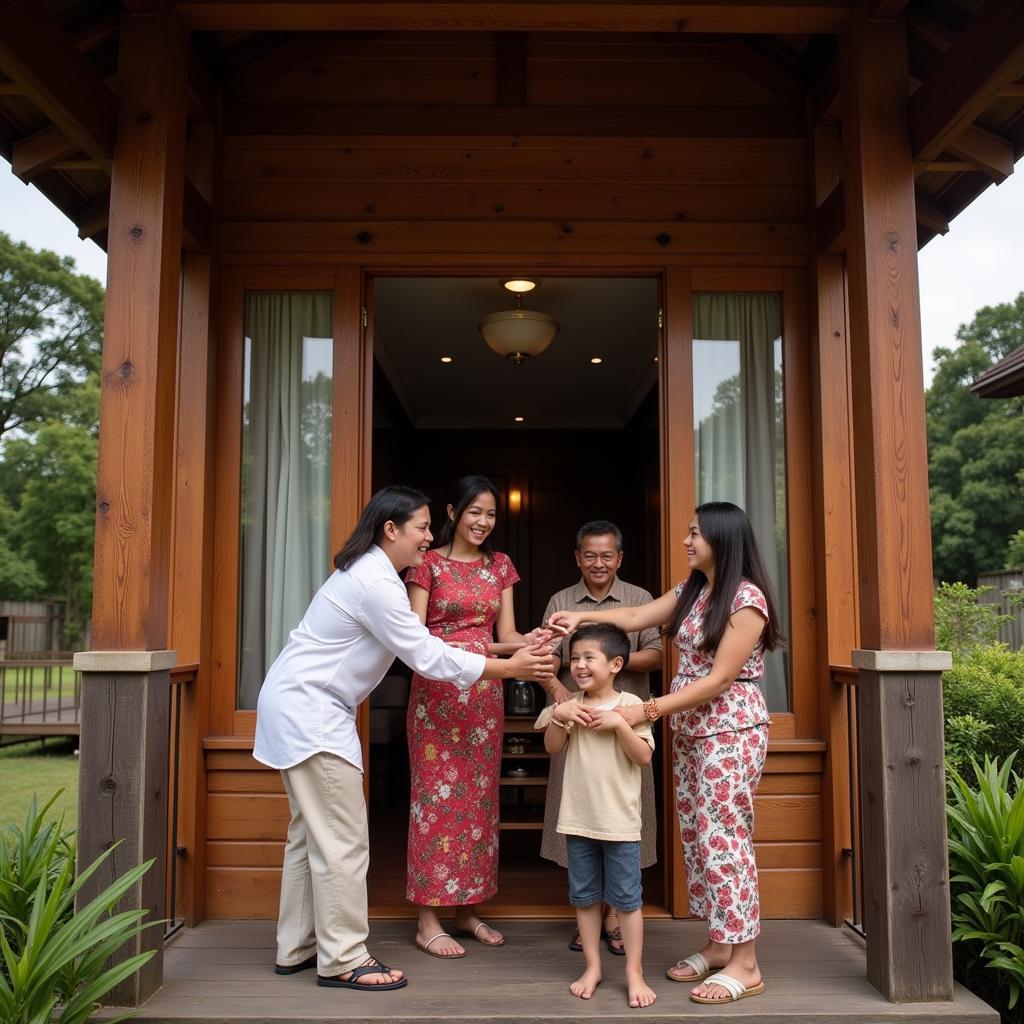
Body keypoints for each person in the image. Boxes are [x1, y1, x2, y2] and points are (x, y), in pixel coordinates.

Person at [253, 485, 555, 992]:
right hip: (312, 716)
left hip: (300, 708)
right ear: (390, 528)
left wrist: (514, 652)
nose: (428, 537)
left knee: (309, 839)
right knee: (343, 842)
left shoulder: (371, 574)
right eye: (421, 527)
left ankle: (298, 947)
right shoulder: (377, 584)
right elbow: (426, 655)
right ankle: (345, 958)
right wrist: (509, 666)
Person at [549, 501, 782, 1006]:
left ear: (722, 538)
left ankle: (747, 962)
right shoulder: (694, 590)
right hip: (692, 732)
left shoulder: (746, 600)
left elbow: (719, 679)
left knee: (725, 838)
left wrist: (646, 711)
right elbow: (633, 615)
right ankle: (722, 945)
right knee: (700, 836)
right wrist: (582, 614)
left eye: (695, 533)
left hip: (731, 731)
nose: (687, 541)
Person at [405, 475, 543, 958]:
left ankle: (465, 909)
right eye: (474, 512)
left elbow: (506, 633)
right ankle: (427, 918)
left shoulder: (500, 565)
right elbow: (415, 637)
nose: (483, 522)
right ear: (451, 512)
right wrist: (474, 650)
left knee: (479, 804)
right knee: (433, 802)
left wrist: (535, 641)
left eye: (490, 514)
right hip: (437, 695)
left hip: (485, 697)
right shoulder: (427, 565)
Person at [539, 520, 662, 954]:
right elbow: (545, 660)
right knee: (579, 810)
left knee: (625, 810)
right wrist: (562, 698)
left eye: (606, 555)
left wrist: (616, 659)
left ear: (620, 558)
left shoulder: (640, 600)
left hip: (626, 716)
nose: (598, 563)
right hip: (577, 719)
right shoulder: (560, 601)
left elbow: (657, 654)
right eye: (589, 555)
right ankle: (590, 911)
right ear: (577, 557)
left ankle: (615, 915)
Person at [535, 623, 657, 1009]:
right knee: (584, 898)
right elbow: (553, 747)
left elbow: (643, 757)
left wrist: (620, 724)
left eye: (589, 658)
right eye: (574, 659)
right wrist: (560, 714)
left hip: (619, 822)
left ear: (616, 664)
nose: (579, 666)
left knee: (627, 900)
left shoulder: (630, 706)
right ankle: (592, 966)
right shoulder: (571, 703)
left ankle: (634, 972)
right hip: (578, 819)